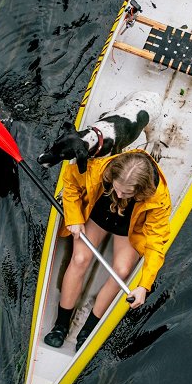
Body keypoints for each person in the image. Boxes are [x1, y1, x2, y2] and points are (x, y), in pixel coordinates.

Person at [44, 150, 172, 352]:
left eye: (127, 193)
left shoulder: (159, 198)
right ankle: (60, 324)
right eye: (117, 188)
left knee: (121, 271)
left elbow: (157, 242)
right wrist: (74, 218)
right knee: (79, 259)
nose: (120, 195)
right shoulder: (99, 169)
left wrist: (143, 286)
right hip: (98, 215)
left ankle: (88, 329)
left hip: (128, 228)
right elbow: (70, 183)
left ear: (141, 189)